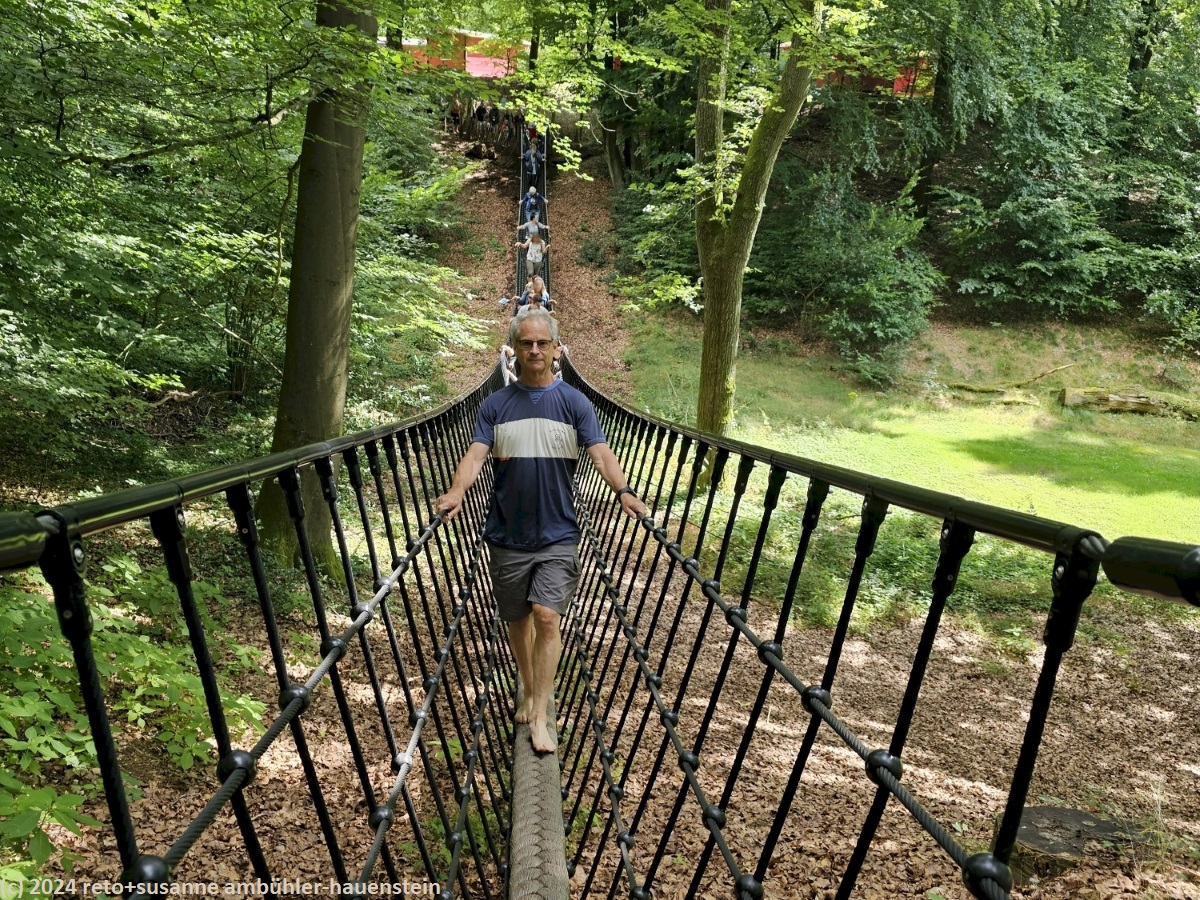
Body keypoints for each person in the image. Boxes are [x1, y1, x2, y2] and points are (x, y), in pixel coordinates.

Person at [433, 310, 648, 754]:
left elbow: (601, 453)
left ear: (555, 349)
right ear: (514, 349)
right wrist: (456, 492)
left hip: (558, 533)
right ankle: (530, 690)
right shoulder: (495, 404)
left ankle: (540, 713)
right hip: (506, 534)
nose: (535, 350)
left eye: (542, 343)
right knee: (518, 620)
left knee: (547, 616)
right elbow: (475, 456)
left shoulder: (575, 403)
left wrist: (624, 491)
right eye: (526, 343)